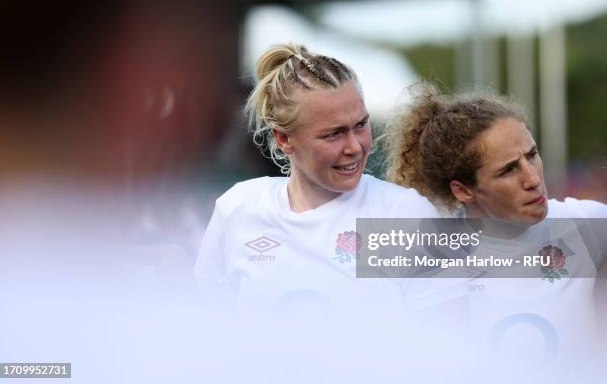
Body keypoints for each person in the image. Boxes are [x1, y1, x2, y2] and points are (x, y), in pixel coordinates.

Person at [194, 43, 442, 313]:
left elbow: (448, 338)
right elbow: (211, 331)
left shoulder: (403, 214)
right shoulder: (238, 208)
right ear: (284, 139)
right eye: (333, 134)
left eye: (360, 125)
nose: (355, 147)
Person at [386, 84, 607, 372]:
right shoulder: (430, 255)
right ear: (463, 190)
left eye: (531, 155)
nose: (532, 178)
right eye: (508, 170)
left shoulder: (587, 225)